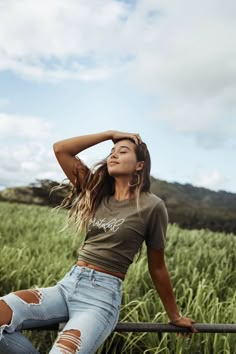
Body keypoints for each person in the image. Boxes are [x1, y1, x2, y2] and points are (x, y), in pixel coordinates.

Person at [0, 130, 198, 354]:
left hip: (100, 299)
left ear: (140, 165)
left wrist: (174, 316)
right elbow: (61, 149)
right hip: (68, 286)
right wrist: (110, 134)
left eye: (122, 152)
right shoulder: (96, 192)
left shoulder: (152, 206)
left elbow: (158, 266)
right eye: (111, 152)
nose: (113, 155)